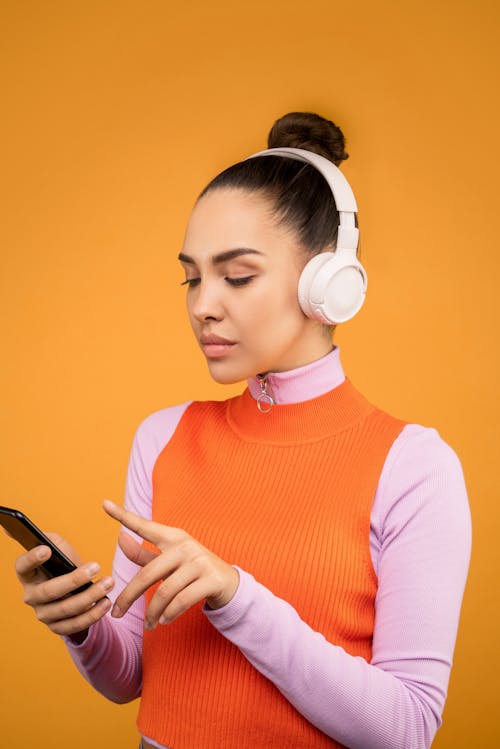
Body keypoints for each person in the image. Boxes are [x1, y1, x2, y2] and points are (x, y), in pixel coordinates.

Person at [13, 111, 472, 749]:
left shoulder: (414, 465)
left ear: (326, 286)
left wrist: (236, 595)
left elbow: (406, 731)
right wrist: (85, 626)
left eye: (238, 276)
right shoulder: (163, 437)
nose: (203, 304)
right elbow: (134, 677)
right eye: (192, 276)